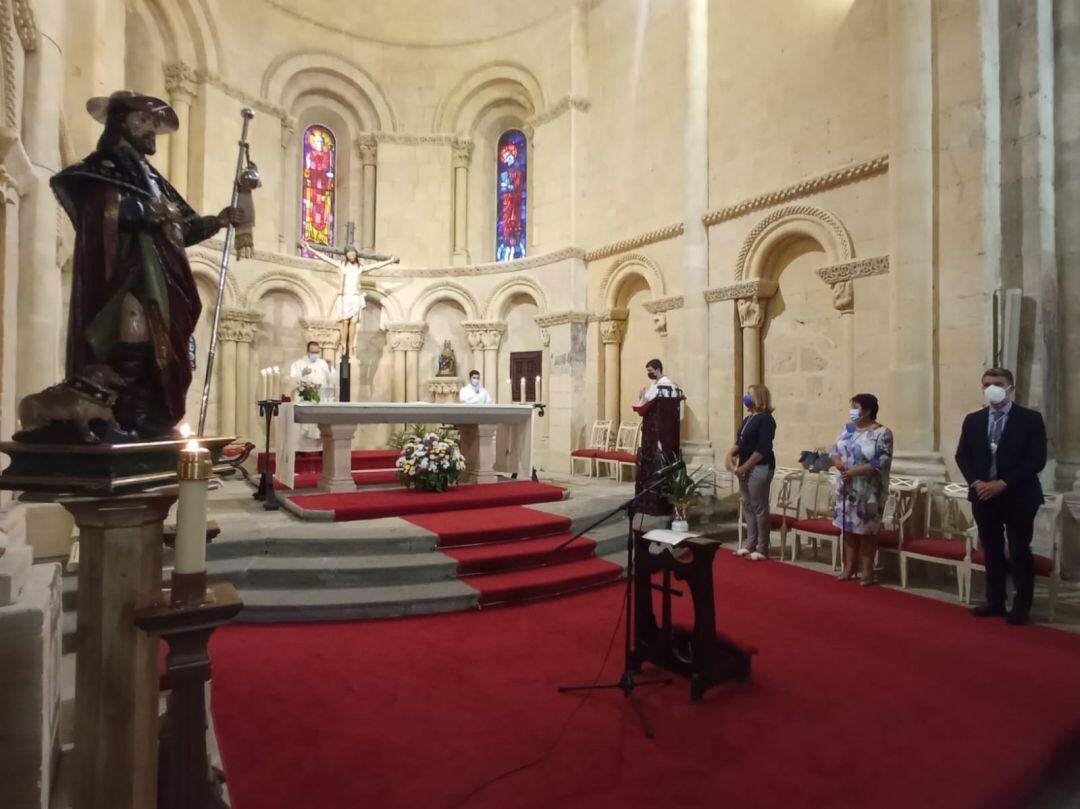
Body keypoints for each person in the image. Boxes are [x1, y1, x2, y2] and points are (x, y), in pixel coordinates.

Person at [50, 90, 242, 438]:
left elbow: (180, 229)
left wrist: (218, 220)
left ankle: (146, 416)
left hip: (163, 275)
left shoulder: (152, 179)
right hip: (126, 272)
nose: (151, 129)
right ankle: (120, 415)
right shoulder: (104, 168)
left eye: (154, 123)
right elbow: (98, 214)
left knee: (159, 347)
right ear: (120, 122)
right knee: (132, 329)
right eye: (143, 121)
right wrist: (142, 213)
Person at [955, 367, 1046, 625]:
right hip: (983, 495)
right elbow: (963, 455)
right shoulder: (973, 420)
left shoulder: (1029, 419)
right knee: (992, 550)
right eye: (986, 384)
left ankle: (1021, 605)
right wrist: (977, 482)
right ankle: (995, 600)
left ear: (1010, 387)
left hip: (1019, 495)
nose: (991, 388)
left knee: (1018, 549)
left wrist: (1003, 483)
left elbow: (1036, 459)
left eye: (997, 383)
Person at [830, 393, 893, 585]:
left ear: (867, 410)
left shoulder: (882, 433)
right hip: (847, 488)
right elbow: (833, 451)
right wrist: (838, 462)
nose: (852, 411)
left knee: (866, 531)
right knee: (847, 529)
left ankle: (867, 571)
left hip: (868, 490)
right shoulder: (847, 429)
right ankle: (849, 568)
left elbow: (882, 459)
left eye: (855, 407)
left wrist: (856, 471)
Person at [726, 384, 777, 561]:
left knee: (759, 507)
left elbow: (762, 449)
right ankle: (750, 544)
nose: (746, 397)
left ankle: (763, 547)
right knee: (747, 505)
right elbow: (740, 442)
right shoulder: (749, 419)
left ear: (759, 397)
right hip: (745, 468)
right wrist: (729, 455)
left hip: (760, 467)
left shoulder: (766, 419)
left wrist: (743, 467)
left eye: (749, 394)